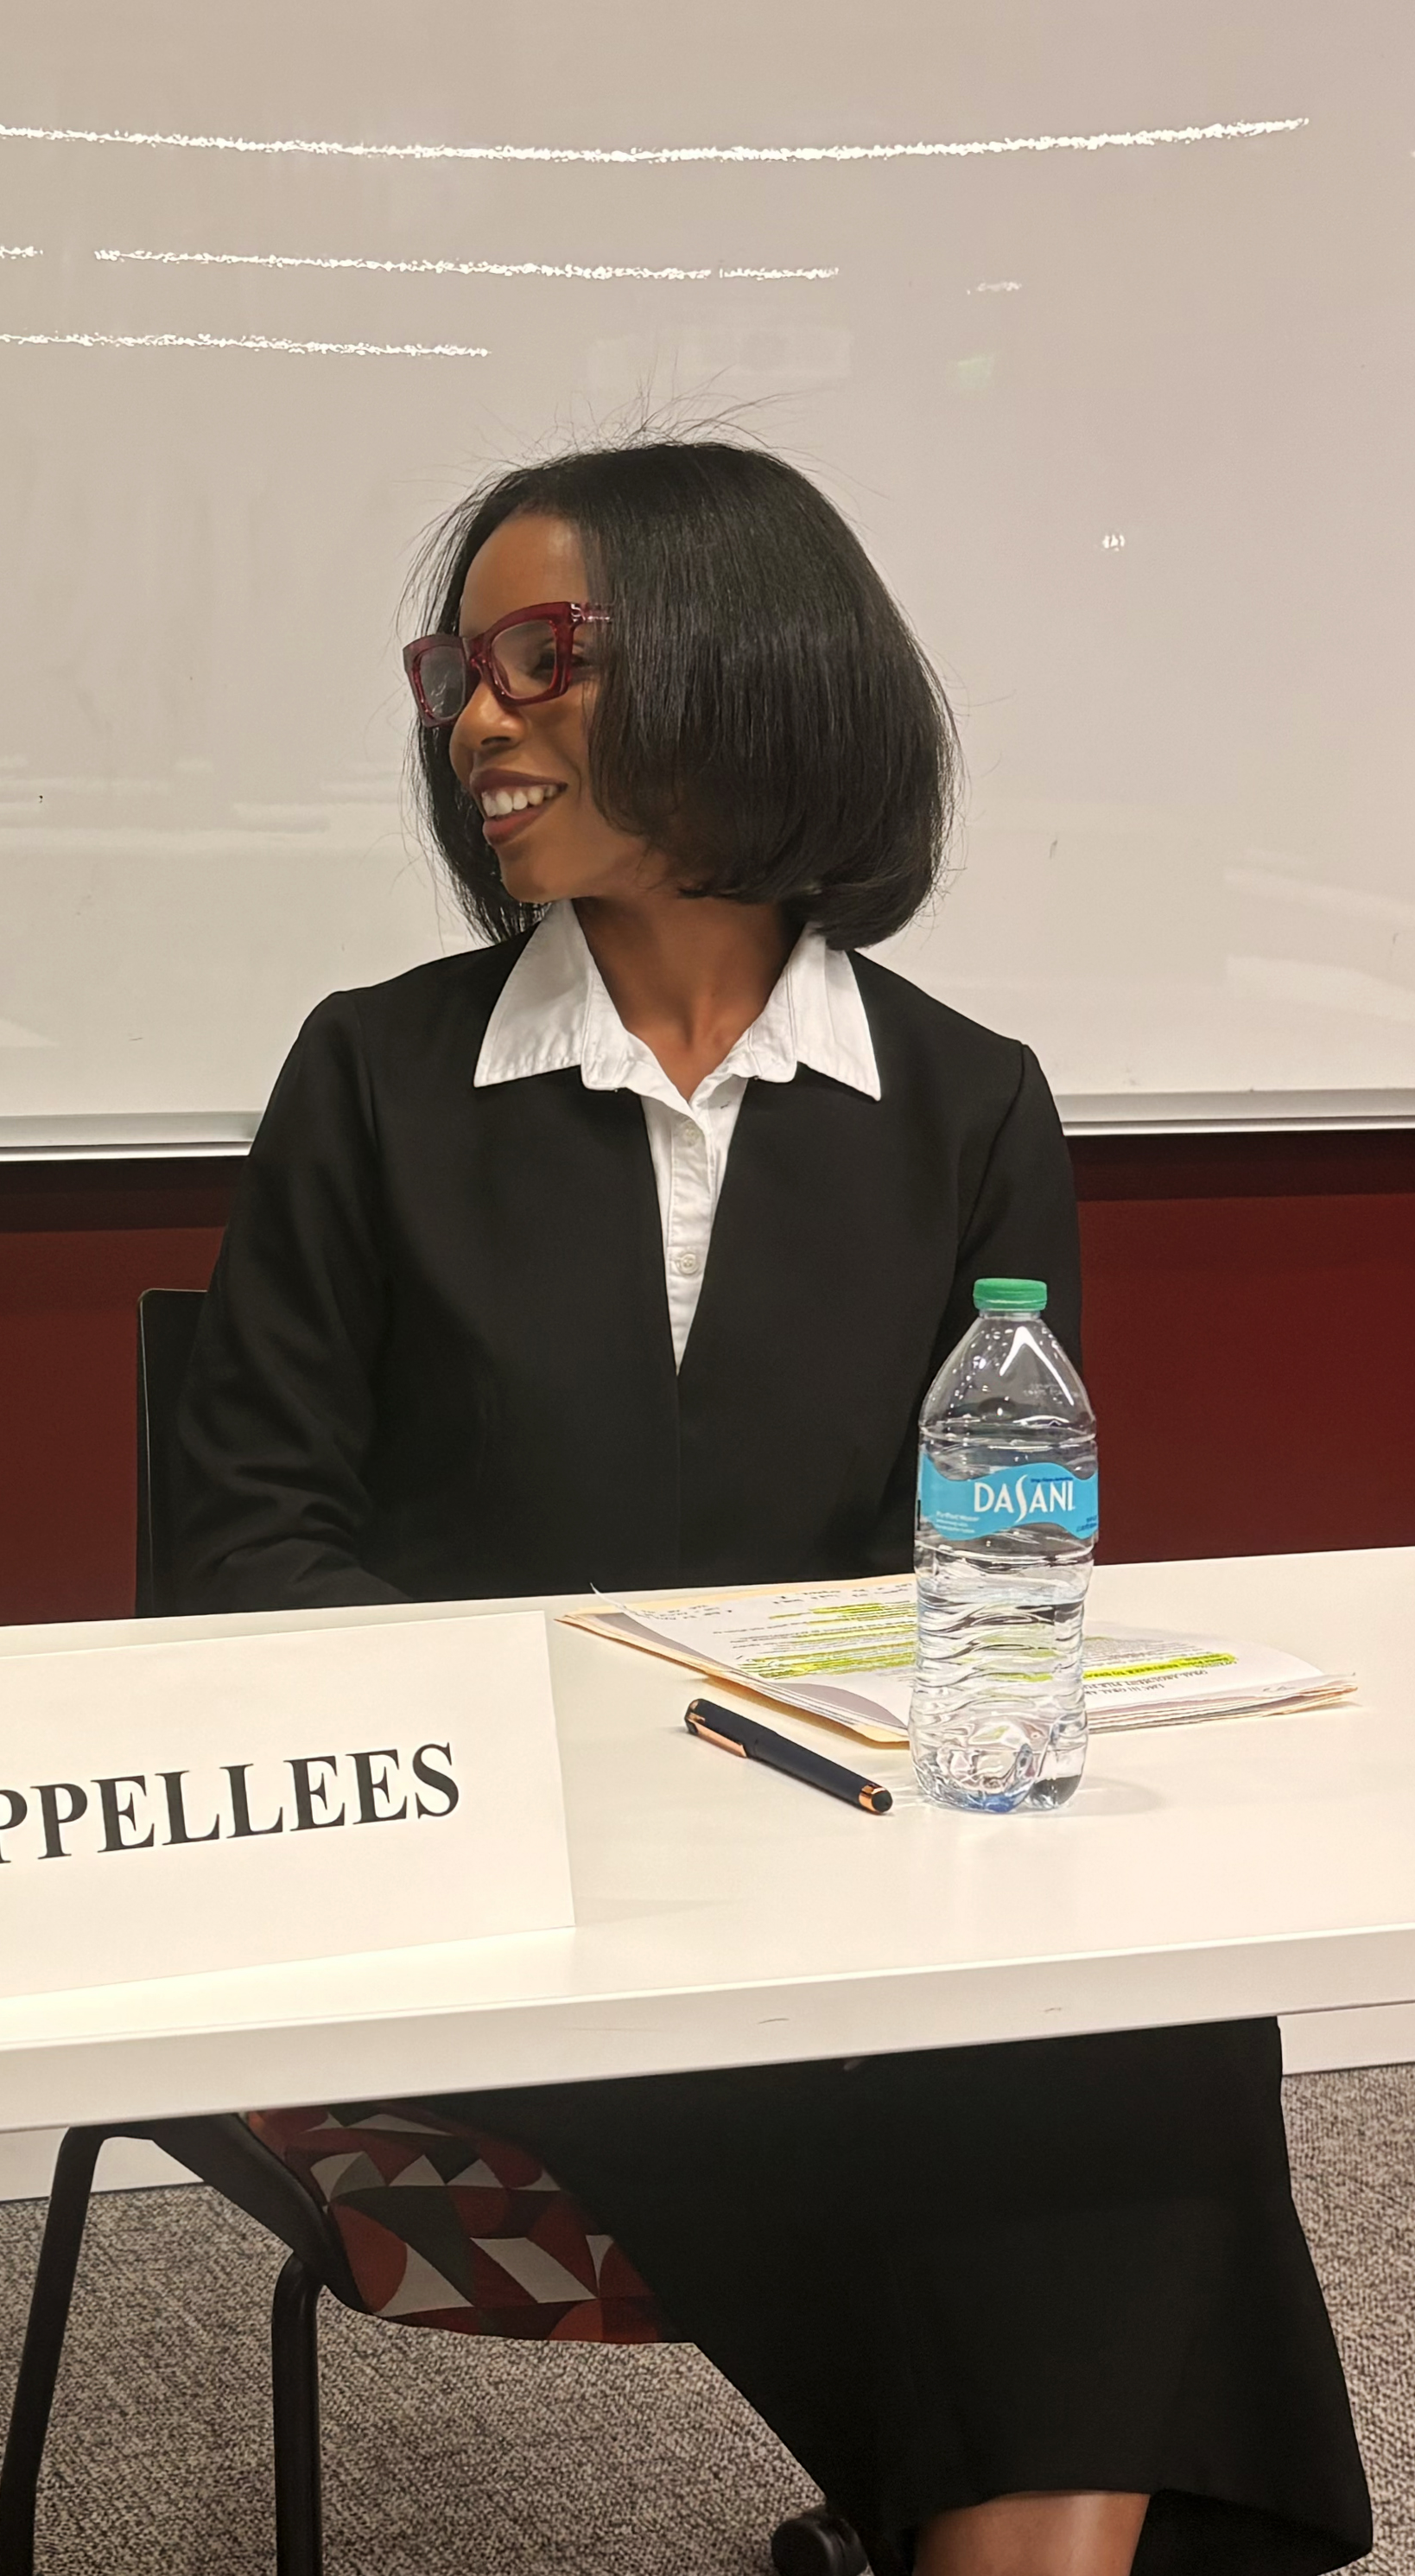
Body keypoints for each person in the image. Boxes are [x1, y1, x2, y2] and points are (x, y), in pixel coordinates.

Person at [169, 442, 1367, 2576]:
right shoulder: (367, 1075)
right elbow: (249, 1557)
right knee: (1056, 2116)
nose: (471, 720)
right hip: (507, 1903)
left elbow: (992, 1568)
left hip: (846, 1895)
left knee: (1135, 2021)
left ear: (751, 672)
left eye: (541, 658)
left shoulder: (967, 1103)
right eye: (454, 669)